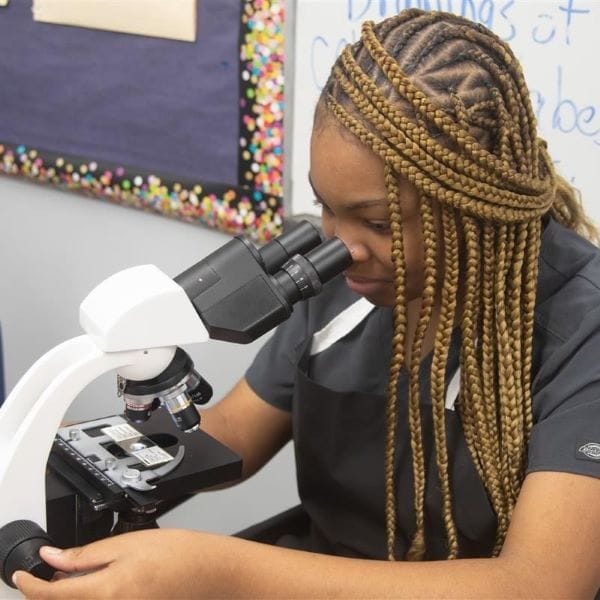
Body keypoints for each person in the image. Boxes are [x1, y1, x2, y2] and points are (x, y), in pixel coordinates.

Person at [15, 8, 600, 598]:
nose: (341, 245)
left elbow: (541, 584)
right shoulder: (337, 282)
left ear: (473, 204)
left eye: (376, 221)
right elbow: (231, 435)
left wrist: (214, 570)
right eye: (326, 206)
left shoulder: (584, 327)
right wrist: (47, 444)